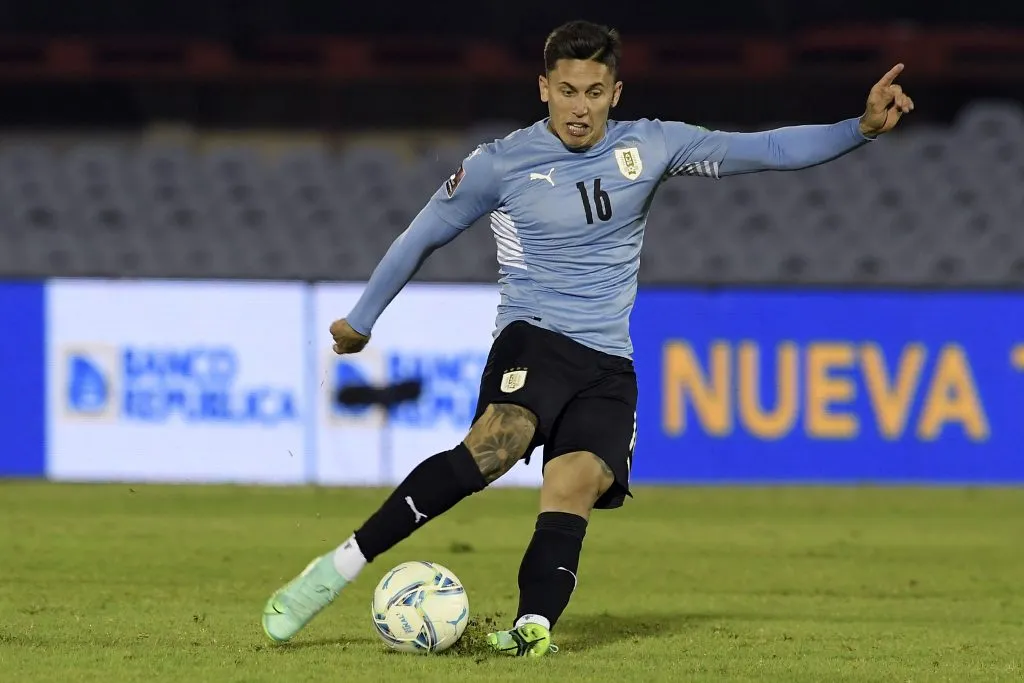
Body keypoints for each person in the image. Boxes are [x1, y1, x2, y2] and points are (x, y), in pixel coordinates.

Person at [261, 19, 913, 656]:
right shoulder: (501, 162)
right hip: (533, 337)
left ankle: (531, 627)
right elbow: (422, 234)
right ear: (544, 88)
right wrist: (363, 317)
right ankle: (334, 568)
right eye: (567, 91)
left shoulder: (652, 145)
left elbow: (765, 149)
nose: (580, 108)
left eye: (594, 93)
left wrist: (858, 129)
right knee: (496, 444)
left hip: (608, 363)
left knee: (575, 483)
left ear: (615, 94)